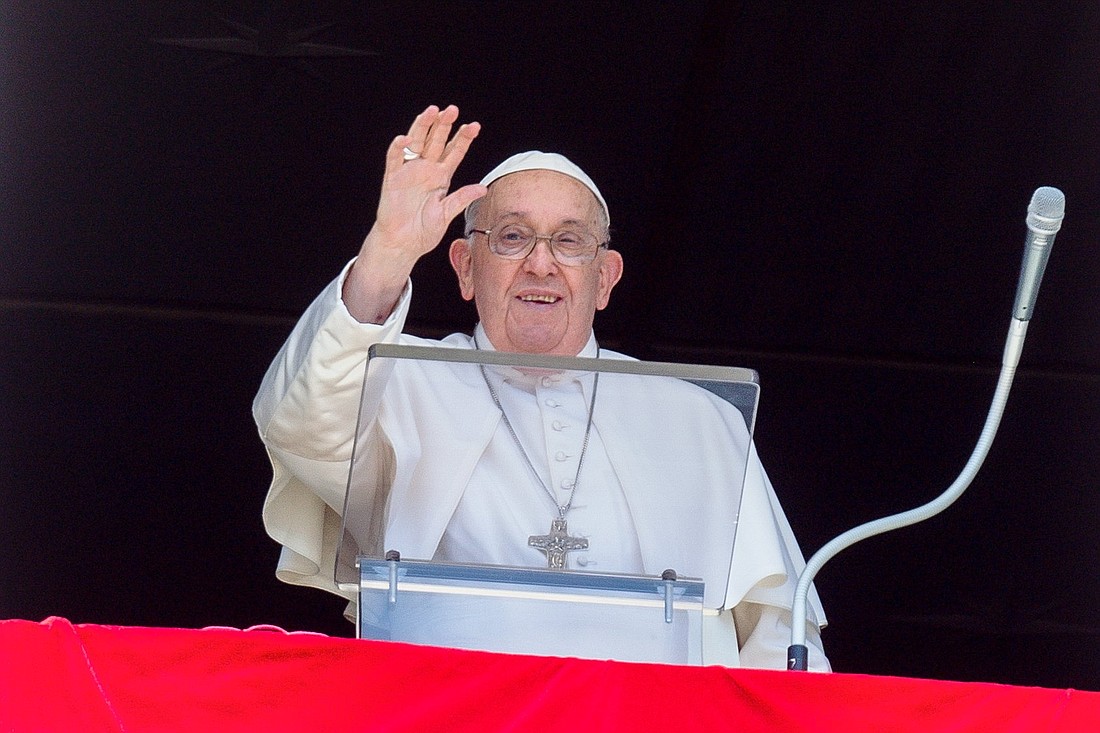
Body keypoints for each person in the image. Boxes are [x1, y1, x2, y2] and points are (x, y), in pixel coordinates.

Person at [253, 104, 829, 670]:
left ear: (604, 278)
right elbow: (302, 426)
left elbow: (778, 634)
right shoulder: (398, 383)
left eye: (569, 242)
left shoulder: (699, 420)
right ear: (464, 266)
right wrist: (388, 253)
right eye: (511, 237)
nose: (540, 264)